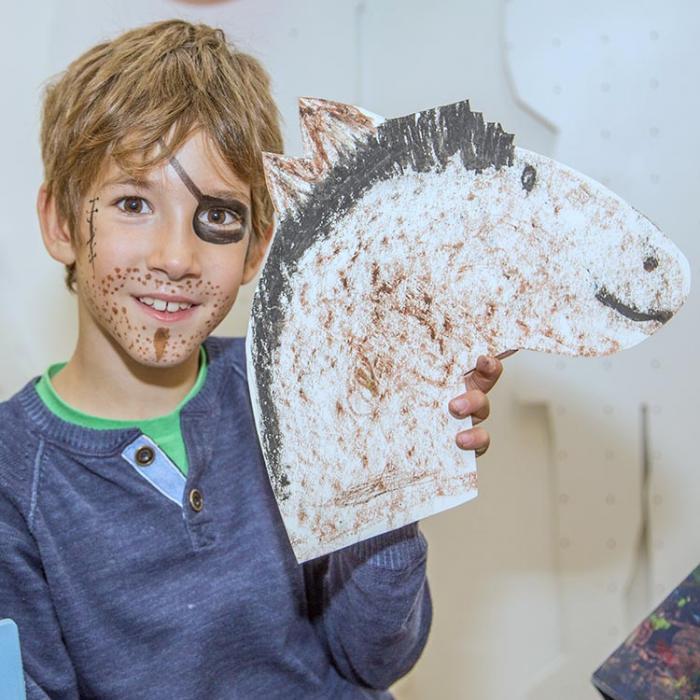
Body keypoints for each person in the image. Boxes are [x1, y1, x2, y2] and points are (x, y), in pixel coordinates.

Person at [0, 19, 504, 699]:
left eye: (217, 218)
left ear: (256, 247)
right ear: (61, 222)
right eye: (132, 203)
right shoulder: (12, 480)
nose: (176, 257)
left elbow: (375, 659)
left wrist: (391, 477)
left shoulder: (298, 391)